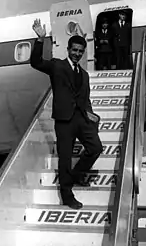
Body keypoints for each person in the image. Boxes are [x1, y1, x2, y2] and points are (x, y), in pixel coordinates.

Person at [30, 19, 103, 210]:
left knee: (95, 148)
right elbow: (36, 62)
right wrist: (40, 40)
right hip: (64, 120)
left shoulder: (85, 75)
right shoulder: (57, 66)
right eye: (75, 50)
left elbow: (85, 98)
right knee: (64, 158)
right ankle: (67, 195)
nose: (77, 53)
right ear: (68, 49)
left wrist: (91, 116)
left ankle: (76, 175)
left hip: (81, 119)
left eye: (80, 51)